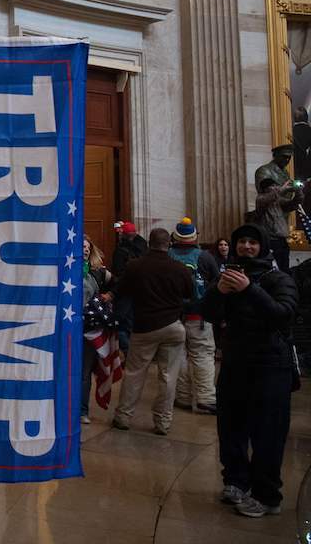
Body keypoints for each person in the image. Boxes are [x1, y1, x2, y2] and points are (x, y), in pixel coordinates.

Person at [202, 224, 299, 518]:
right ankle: (235, 481)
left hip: (270, 367)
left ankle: (267, 495)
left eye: (252, 243)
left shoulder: (279, 277)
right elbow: (207, 312)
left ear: (263, 247)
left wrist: (250, 289)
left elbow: (283, 315)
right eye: (241, 242)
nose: (246, 247)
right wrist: (218, 292)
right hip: (235, 364)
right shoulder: (227, 278)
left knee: (267, 434)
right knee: (230, 428)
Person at [107, 228, 193, 435]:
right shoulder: (180, 268)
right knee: (168, 376)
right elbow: (189, 294)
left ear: (149, 243)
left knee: (135, 373)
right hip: (173, 326)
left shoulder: (136, 266)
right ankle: (163, 422)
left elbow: (123, 291)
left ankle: (123, 417)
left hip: (145, 327)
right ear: (168, 244)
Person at [169, 217, 220, 414]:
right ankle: (205, 399)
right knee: (203, 356)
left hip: (173, 316)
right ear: (194, 235)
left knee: (178, 356)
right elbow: (216, 284)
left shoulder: (168, 255)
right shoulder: (205, 257)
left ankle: (182, 396)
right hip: (199, 316)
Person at [253, 148, 303, 273]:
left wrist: (299, 194)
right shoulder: (261, 198)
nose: (287, 160)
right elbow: (268, 197)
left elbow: (290, 205)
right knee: (270, 270)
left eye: (289, 158)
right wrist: (283, 189)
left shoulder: (277, 199)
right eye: (284, 157)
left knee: (284, 270)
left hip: (281, 239)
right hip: (269, 238)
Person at [80, 235, 110, 423]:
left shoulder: (97, 272)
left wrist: (109, 297)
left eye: (88, 248)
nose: (85, 250)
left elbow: (118, 284)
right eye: (82, 247)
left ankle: (82, 410)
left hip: (88, 329)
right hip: (67, 328)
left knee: (84, 372)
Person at [109, 220, 147, 353]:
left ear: (123, 235)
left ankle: (130, 354)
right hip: (142, 293)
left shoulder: (120, 251)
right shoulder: (144, 248)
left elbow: (118, 273)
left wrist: (112, 292)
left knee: (121, 326)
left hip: (125, 293)